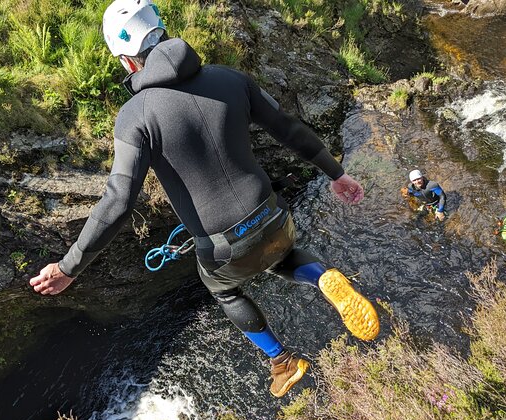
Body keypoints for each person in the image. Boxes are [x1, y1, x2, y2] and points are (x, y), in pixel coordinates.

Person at [30, 0, 379, 397]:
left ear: (127, 61)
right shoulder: (230, 79)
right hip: (274, 216)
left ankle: (283, 361)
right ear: (163, 31)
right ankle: (322, 277)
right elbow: (289, 128)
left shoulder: (135, 115)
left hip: (224, 247)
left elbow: (118, 201)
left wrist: (69, 267)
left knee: (223, 288)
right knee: (277, 255)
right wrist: (337, 173)